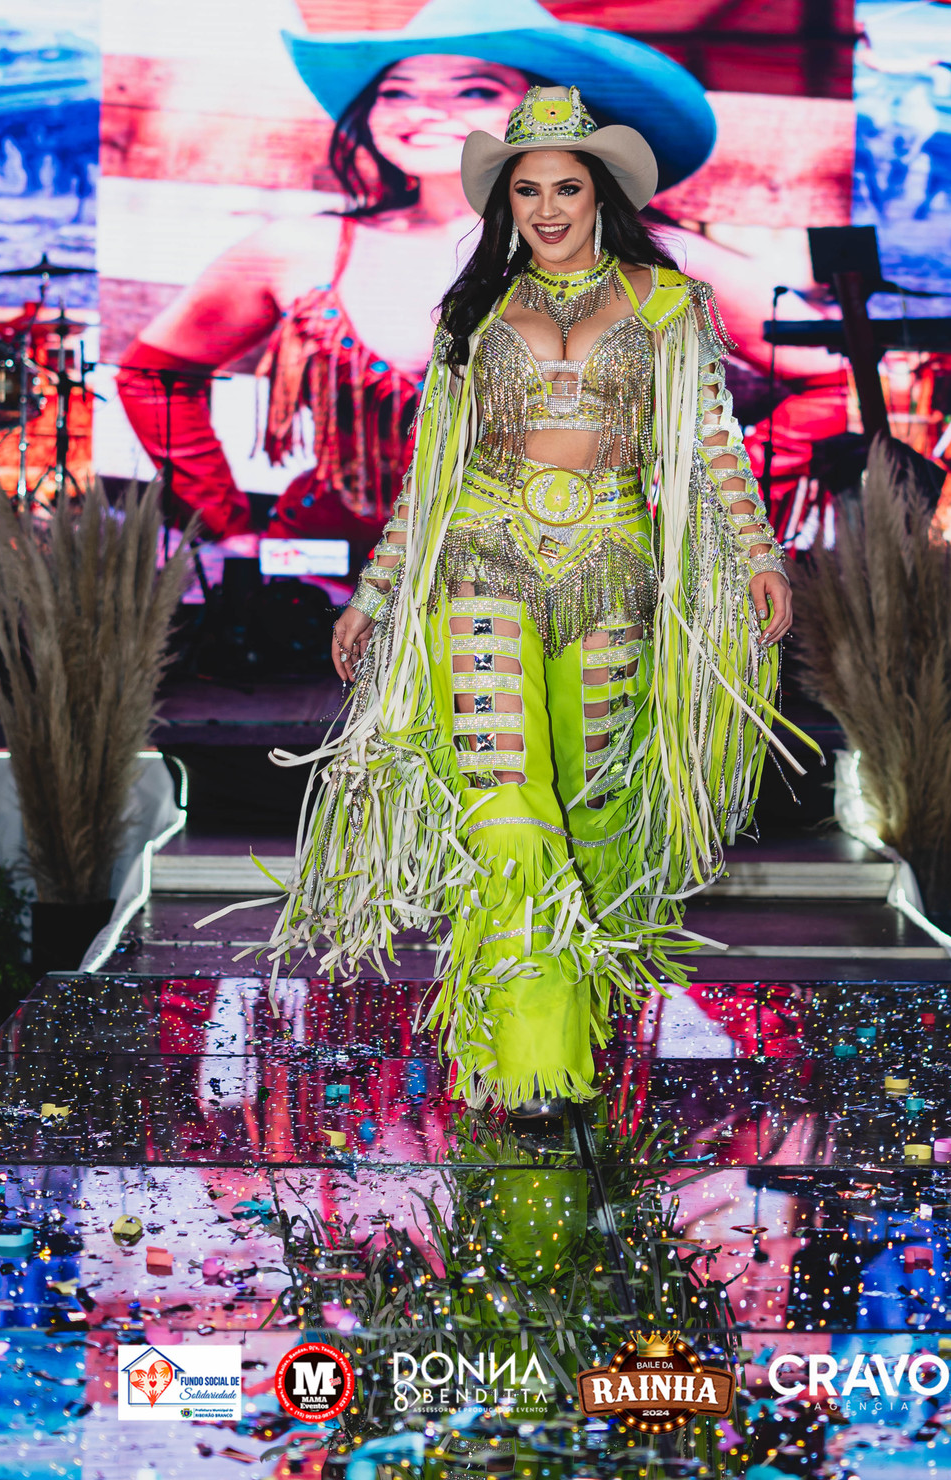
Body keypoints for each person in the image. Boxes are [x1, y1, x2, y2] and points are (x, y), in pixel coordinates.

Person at [262, 83, 812, 1117]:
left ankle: (561, 1041)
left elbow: (713, 444)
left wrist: (758, 556)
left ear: (600, 192)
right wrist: (374, 594)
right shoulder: (473, 312)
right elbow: (431, 473)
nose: (547, 208)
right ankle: (530, 1066)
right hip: (482, 561)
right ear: (504, 203)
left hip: (613, 576)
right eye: (527, 191)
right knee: (509, 811)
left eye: (566, 187)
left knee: (592, 819)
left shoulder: (669, 303)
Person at [114, 0, 840, 552]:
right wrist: (227, 523)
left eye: (472, 89)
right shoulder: (297, 248)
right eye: (397, 90)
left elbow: (838, 381)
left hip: (569, 596)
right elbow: (152, 376)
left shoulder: (654, 260)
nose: (422, 110)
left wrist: (704, 493)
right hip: (339, 582)